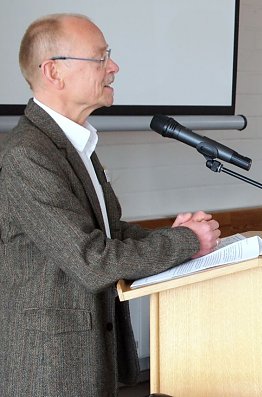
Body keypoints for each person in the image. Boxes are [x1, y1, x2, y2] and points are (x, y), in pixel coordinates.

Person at [0, 14, 221, 396]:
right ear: (54, 72)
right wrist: (184, 242)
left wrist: (176, 236)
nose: (114, 67)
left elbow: (110, 231)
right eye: (100, 57)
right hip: (49, 366)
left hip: (83, 353)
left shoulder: (74, 143)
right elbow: (92, 259)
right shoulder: (27, 155)